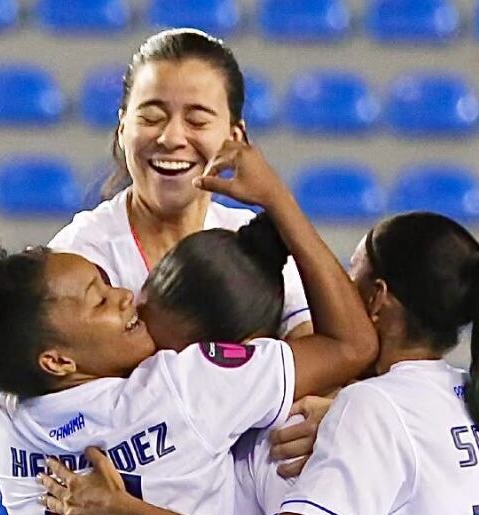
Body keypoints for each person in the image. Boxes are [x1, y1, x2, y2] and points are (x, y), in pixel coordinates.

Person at [0, 142, 377, 515]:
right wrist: (279, 205)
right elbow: (354, 344)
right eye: (100, 299)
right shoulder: (183, 387)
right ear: (56, 360)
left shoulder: (4, 428)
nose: (127, 295)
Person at [40, 142, 479, 515]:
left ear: (377, 299)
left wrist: (125, 512)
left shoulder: (373, 408)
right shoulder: (463, 395)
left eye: (351, 275)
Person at [49, 27, 312, 341]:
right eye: (151, 117)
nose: (171, 138)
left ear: (234, 138)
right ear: (122, 129)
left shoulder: (260, 247)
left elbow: (335, 355)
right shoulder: (79, 256)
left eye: (197, 121)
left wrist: (279, 203)